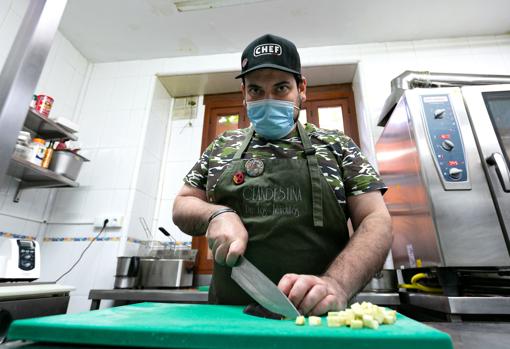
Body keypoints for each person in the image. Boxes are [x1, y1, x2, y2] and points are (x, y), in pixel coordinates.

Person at [173, 34, 392, 316]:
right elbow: (183, 203)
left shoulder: (338, 146)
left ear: (301, 89)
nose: (268, 100)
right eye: (255, 90)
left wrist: (336, 284)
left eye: (280, 88)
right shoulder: (222, 147)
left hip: (319, 320)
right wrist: (216, 215)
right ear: (243, 93)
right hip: (228, 320)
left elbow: (376, 219)